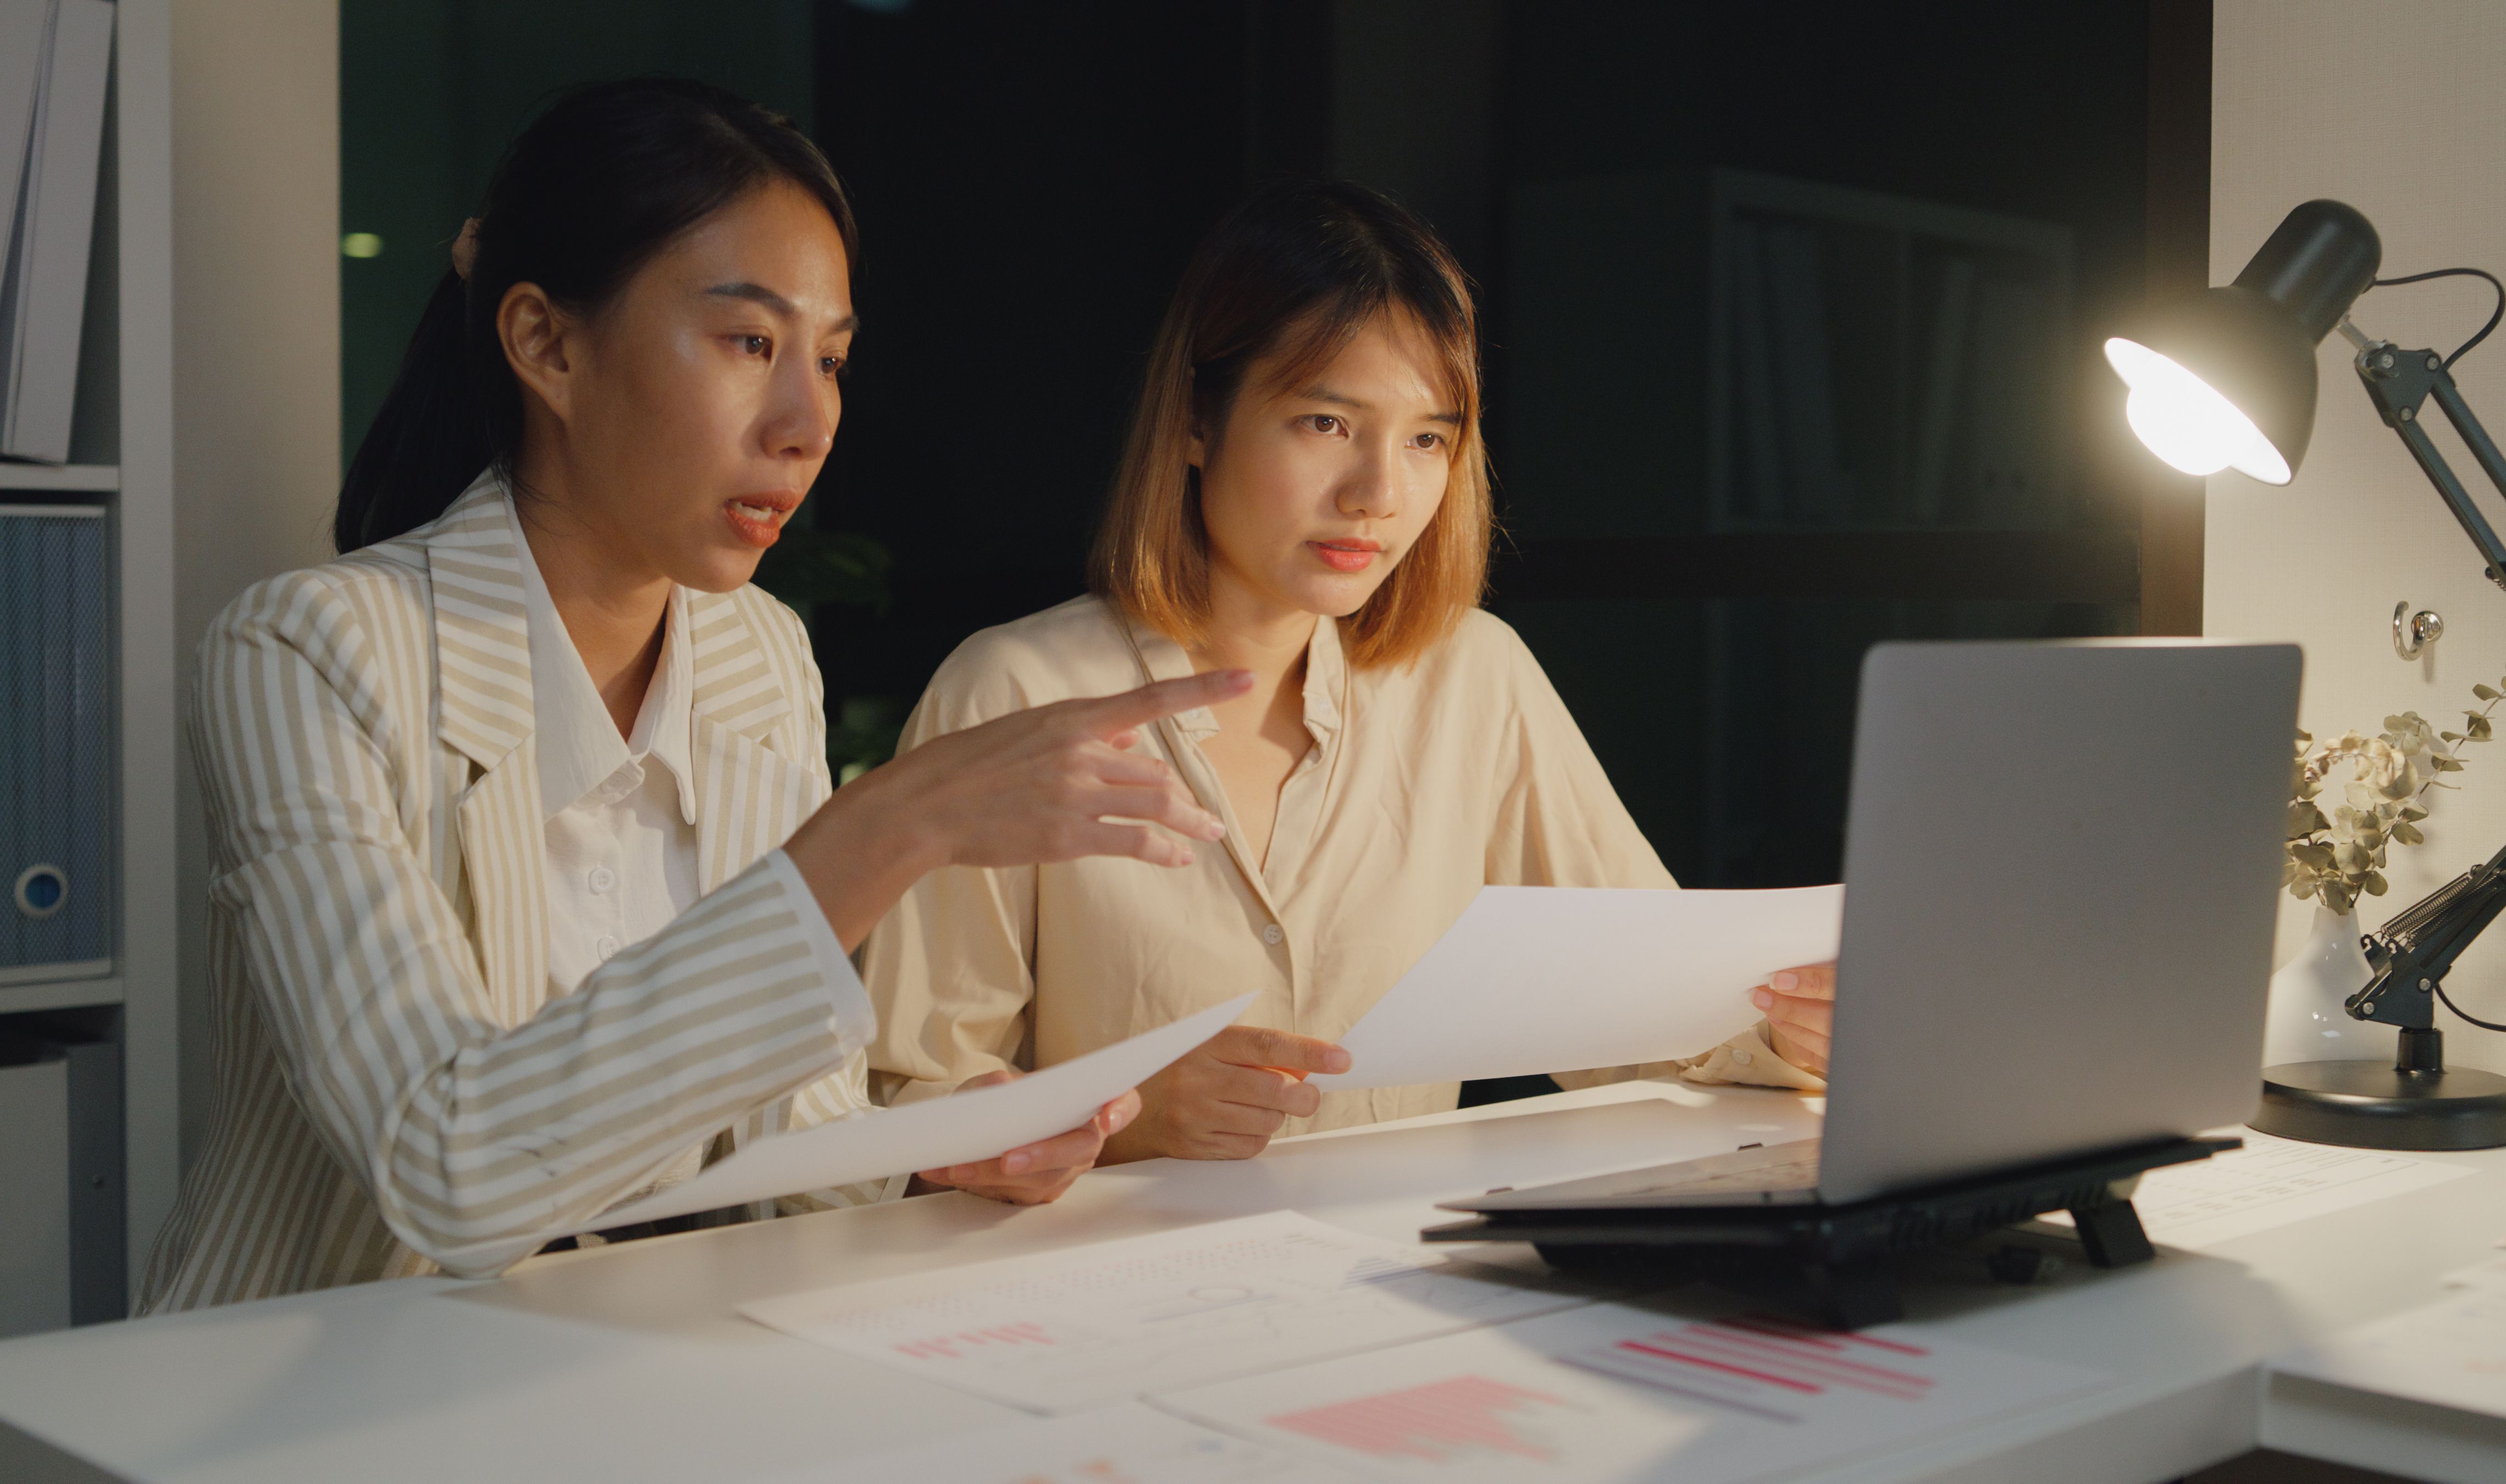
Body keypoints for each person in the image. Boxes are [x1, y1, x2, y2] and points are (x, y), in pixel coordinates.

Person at [138, 80, 1242, 1312]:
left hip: (645, 1370)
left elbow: (783, 1142)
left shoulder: (758, 653)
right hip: (320, 1391)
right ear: (546, 345)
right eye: (749, 344)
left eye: (829, 359)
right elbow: (449, 1173)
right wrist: (886, 831)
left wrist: (921, 1160)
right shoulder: (304, 657)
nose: (808, 421)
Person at [863, 181, 1836, 1164]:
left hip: (1406, 1279)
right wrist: (1133, 1119)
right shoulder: (1014, 691)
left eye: (1426, 439)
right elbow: (907, 1109)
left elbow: (1659, 1021)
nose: (1378, 493)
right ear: (1199, 418)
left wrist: (1789, 1027)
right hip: (1096, 1297)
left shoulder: (1474, 678)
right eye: (1325, 424)